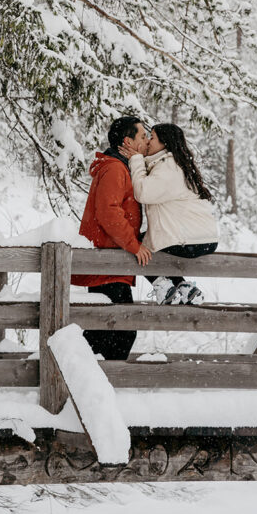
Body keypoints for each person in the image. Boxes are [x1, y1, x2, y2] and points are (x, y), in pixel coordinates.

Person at [71, 115, 152, 359]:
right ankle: (92, 381)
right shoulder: (116, 169)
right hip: (107, 265)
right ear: (128, 141)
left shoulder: (120, 167)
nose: (147, 141)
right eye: (143, 136)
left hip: (111, 264)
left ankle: (87, 380)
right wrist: (134, 245)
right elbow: (108, 212)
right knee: (119, 330)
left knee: (106, 330)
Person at [121, 123, 217, 305]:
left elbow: (143, 192)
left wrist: (136, 160)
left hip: (189, 241)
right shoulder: (174, 165)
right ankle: (184, 288)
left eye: (153, 137)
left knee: (134, 244)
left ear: (164, 143)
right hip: (202, 239)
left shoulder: (169, 167)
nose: (148, 141)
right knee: (150, 242)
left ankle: (162, 286)